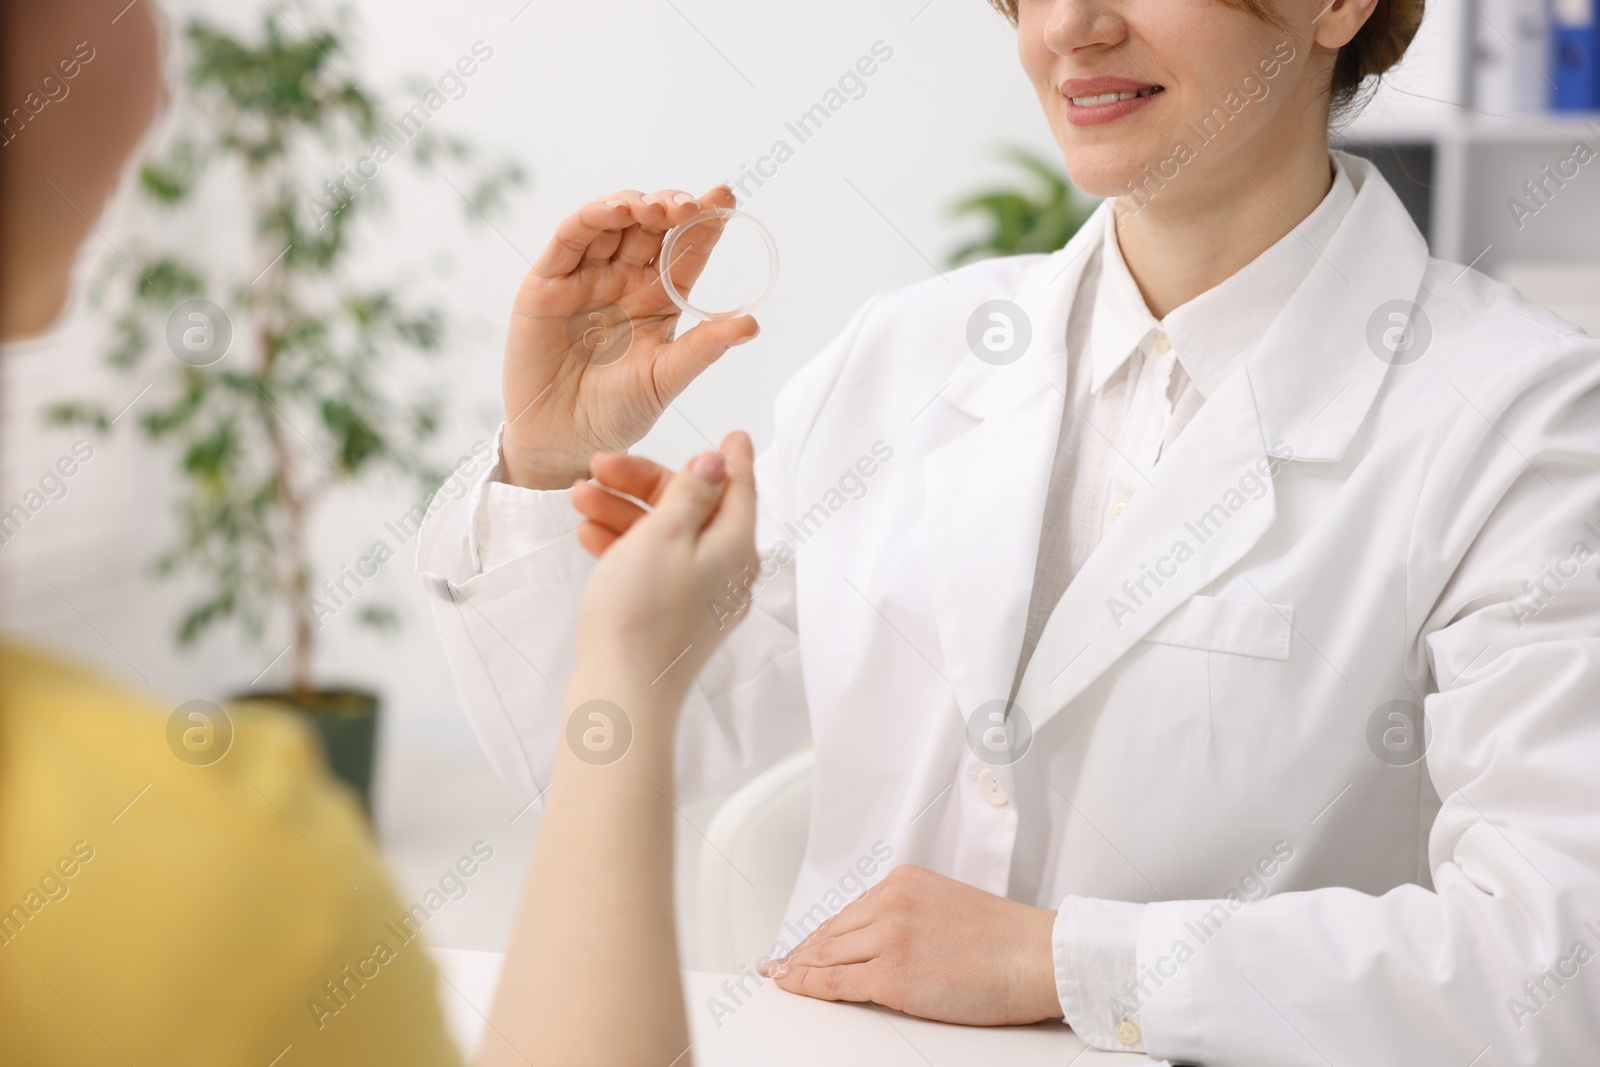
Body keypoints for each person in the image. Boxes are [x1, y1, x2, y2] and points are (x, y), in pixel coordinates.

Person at [417, 0, 1600, 1063]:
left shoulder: (1523, 422)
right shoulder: (912, 354)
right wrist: (550, 462)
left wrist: (1064, 962)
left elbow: (1555, 963)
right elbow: (615, 744)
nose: (1069, 27)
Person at [2, 3, 738, 1064]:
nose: (164, 79)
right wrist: (621, 662)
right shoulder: (226, 893)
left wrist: (1060, 955)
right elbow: (673, 726)